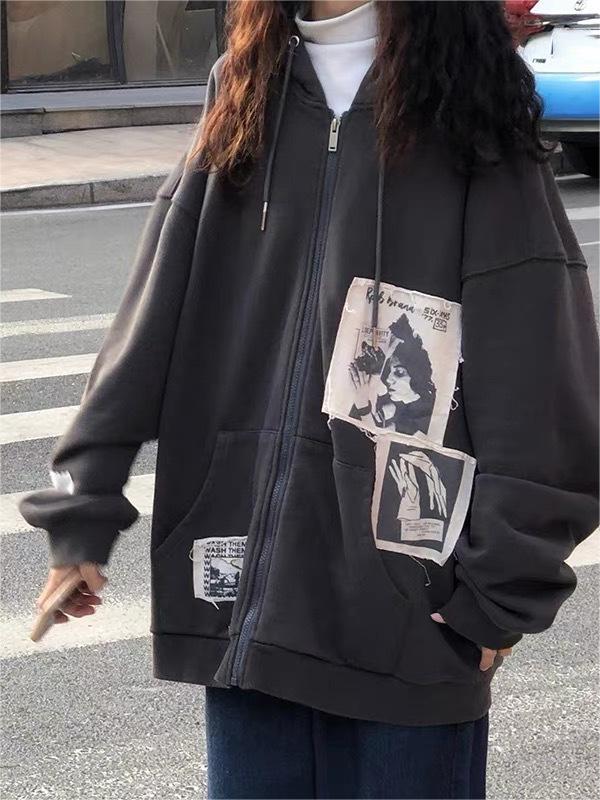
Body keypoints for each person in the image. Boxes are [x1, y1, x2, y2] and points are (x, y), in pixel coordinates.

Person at [19, 1, 599, 798]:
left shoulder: (471, 100)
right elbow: (154, 311)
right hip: (251, 607)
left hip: (410, 621)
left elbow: (538, 364)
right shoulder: (246, 84)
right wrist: (84, 505)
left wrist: (503, 589)